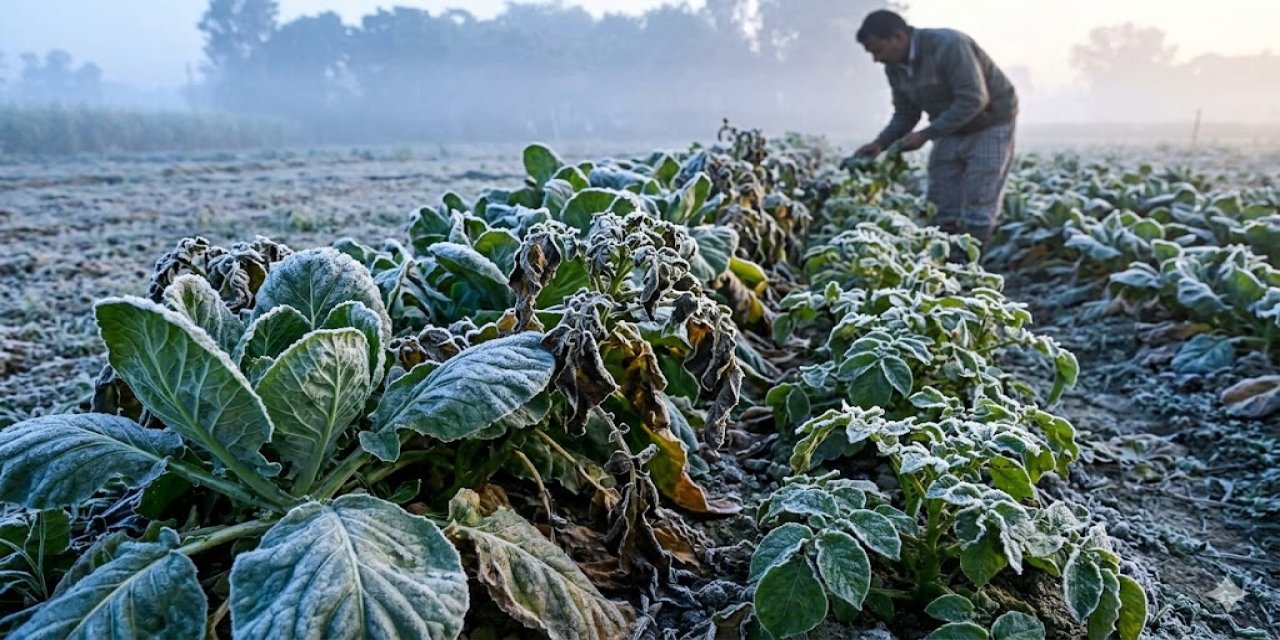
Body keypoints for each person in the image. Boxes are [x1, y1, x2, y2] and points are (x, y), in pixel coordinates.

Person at [853, 9, 1018, 245]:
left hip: (990, 122)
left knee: (980, 198)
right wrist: (881, 143)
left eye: (878, 50)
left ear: (898, 37)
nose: (876, 59)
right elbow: (906, 112)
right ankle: (944, 263)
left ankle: (973, 268)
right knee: (941, 198)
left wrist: (927, 134)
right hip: (949, 126)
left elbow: (973, 98)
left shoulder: (949, 45)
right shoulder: (894, 67)